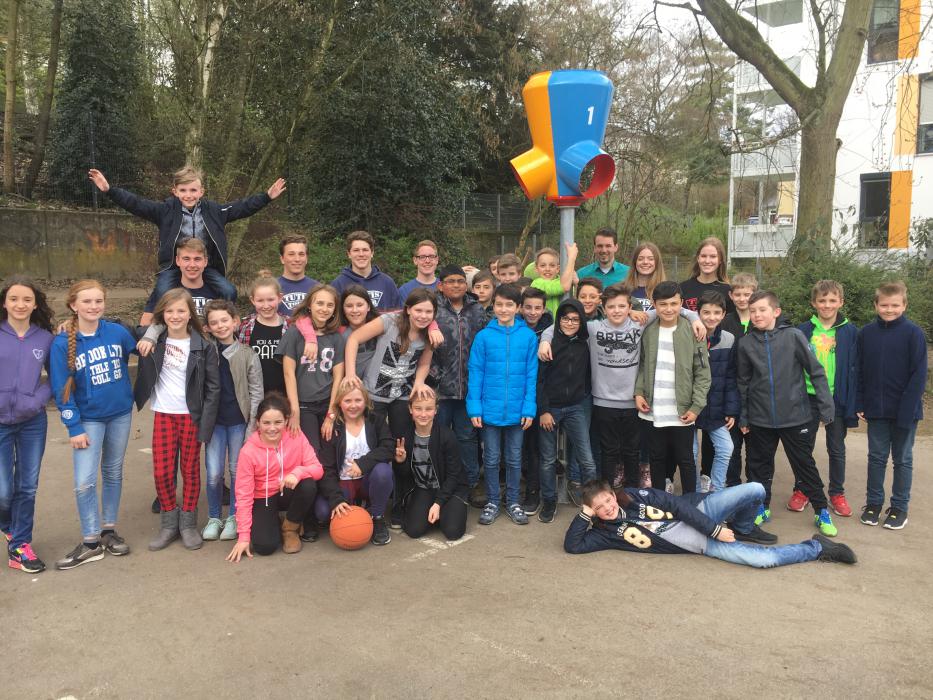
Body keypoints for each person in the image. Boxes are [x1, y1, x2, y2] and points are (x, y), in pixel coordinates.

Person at [89, 165, 285, 309]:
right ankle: (161, 328)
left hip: (205, 265)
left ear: (201, 191)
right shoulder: (165, 210)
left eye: (193, 190)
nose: (188, 195)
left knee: (229, 291)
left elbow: (243, 207)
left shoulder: (214, 211)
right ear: (175, 191)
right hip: (174, 266)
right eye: (183, 190)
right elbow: (136, 203)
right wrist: (109, 190)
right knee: (161, 292)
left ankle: (219, 322)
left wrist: (266, 197)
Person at [564, 480, 857, 568]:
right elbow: (573, 545)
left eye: (607, 500)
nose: (607, 507)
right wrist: (584, 514)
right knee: (764, 560)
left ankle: (742, 527)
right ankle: (817, 548)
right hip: (703, 542)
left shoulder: (633, 496)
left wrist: (715, 527)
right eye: (599, 507)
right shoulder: (606, 533)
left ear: (612, 494)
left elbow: (677, 505)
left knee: (755, 489)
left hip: (701, 511)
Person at [50, 280, 137, 570]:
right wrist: (74, 427)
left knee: (113, 472)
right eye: (86, 301)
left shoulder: (116, 332)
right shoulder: (62, 343)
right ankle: (90, 541)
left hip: (120, 414)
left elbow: (141, 348)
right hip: (88, 420)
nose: (93, 306)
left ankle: (108, 530)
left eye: (98, 301)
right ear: (73, 305)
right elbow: (61, 389)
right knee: (84, 481)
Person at [736, 290, 837, 536]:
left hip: (795, 417)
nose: (757, 315)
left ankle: (821, 510)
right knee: (758, 467)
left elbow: (816, 371)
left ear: (776, 312)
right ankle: (761, 507)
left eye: (762, 310)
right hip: (760, 419)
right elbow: (743, 382)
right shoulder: (745, 343)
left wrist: (826, 406)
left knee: (804, 465)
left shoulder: (793, 336)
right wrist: (745, 416)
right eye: (753, 311)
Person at [133, 288, 220, 551]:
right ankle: (169, 522)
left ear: (190, 313)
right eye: (169, 311)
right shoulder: (154, 341)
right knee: (162, 471)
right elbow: (118, 326)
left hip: (191, 415)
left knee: (190, 471)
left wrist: (206, 424)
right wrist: (150, 333)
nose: (175, 316)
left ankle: (188, 523)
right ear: (162, 314)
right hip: (164, 413)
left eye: (181, 310)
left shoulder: (204, 346)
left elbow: (213, 388)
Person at [856, 281, 927, 530]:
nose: (889, 310)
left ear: (904, 305)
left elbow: (919, 375)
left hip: (905, 411)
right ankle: (873, 504)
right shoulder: (866, 333)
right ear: (876, 305)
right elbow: (859, 371)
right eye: (884, 305)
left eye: (895, 305)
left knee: (902, 460)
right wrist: (861, 401)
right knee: (876, 458)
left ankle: (899, 507)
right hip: (876, 410)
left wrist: (907, 411)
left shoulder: (913, 333)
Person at [467, 284, 538, 526]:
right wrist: (474, 407)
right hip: (489, 410)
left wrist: (529, 408)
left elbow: (531, 374)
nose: (504, 309)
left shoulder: (528, 337)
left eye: (509, 305)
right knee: (491, 459)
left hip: (518, 412)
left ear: (518, 308)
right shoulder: (483, 337)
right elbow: (475, 372)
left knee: (515, 458)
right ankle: (493, 501)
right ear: (493, 306)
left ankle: (514, 501)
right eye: (499, 304)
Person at [226, 393, 325, 560]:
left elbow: (317, 469)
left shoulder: (296, 436)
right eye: (266, 423)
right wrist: (243, 536)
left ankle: (290, 528)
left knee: (308, 484)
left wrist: (297, 473)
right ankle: (274, 520)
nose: (272, 428)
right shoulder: (248, 451)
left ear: (286, 421)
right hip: (263, 497)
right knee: (264, 547)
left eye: (278, 422)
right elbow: (243, 495)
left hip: (288, 490)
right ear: (258, 423)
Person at [789, 280, 858, 517]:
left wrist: (855, 401)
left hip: (836, 398)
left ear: (841, 302)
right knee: (803, 448)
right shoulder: (802, 331)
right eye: (822, 301)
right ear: (814, 303)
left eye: (832, 300)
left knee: (836, 448)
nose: (827, 305)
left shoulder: (851, 332)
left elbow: (856, 368)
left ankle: (837, 493)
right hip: (807, 397)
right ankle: (803, 489)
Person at [634, 281, 711, 495]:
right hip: (653, 408)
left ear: (681, 303)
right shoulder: (648, 330)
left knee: (686, 459)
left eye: (673, 304)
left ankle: (690, 502)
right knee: (656, 458)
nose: (669, 309)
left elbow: (703, 373)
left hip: (682, 409)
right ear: (654, 305)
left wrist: (696, 406)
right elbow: (642, 364)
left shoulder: (694, 331)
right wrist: (639, 392)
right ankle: (660, 503)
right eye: (663, 304)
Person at [0, 277, 54, 573]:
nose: (20, 304)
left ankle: (20, 546)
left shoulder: (44, 338)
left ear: (35, 305)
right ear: (4, 303)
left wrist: (37, 400)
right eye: (13, 299)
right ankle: (9, 526)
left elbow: (58, 378)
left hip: (33, 422)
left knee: (27, 486)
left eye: (26, 299)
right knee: (3, 490)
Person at [201, 300, 263, 542]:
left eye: (224, 320)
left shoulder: (248, 354)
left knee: (238, 471)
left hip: (239, 422)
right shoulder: (206, 352)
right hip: (215, 423)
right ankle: (214, 517)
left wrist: (253, 424)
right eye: (214, 322)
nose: (220, 326)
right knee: (214, 473)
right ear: (207, 327)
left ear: (235, 322)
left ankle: (235, 516)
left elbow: (256, 391)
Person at [342, 288, 435, 440]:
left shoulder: (429, 334)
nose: (423, 316)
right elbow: (354, 338)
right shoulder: (390, 321)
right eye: (418, 310)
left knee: (401, 440)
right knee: (372, 438)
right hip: (374, 393)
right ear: (408, 309)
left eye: (428, 312)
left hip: (402, 394)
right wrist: (350, 374)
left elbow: (424, 363)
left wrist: (419, 382)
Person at [536, 299, 597, 523]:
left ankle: (593, 502)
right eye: (565, 318)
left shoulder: (584, 343)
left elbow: (588, 373)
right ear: (558, 320)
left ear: (581, 322)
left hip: (575, 407)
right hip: (550, 409)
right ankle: (549, 501)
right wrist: (544, 410)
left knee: (587, 459)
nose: (570, 323)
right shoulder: (549, 344)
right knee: (548, 459)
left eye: (575, 319)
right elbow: (540, 380)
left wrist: (583, 394)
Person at [315, 385, 395, 546]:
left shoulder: (375, 420)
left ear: (366, 401)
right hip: (343, 483)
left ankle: (377, 517)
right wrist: (336, 499)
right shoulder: (331, 427)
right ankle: (354, 506)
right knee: (322, 512)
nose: (353, 405)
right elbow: (327, 468)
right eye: (347, 401)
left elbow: (388, 447)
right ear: (339, 403)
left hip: (368, 481)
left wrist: (362, 463)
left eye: (358, 400)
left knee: (383, 471)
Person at [432, 265, 486, 501]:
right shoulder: (432, 308)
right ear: (440, 285)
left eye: (460, 281)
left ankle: (470, 483)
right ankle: (437, 483)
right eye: (450, 281)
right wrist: (434, 376)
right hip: (439, 389)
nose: (456, 285)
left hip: (469, 388)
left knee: (467, 438)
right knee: (438, 436)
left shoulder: (477, 309)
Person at [279, 285, 345, 456]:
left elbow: (338, 377)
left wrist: (331, 414)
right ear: (310, 305)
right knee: (310, 452)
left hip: (327, 403)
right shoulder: (294, 334)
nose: (324, 309)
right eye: (319, 303)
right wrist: (294, 411)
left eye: (330, 305)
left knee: (330, 452)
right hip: (303, 404)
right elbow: (288, 374)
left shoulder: (336, 337)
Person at [395, 391, 469, 541]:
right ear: (410, 409)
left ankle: (449, 510)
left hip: (449, 488)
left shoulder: (447, 436)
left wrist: (438, 503)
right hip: (424, 488)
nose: (423, 414)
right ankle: (434, 513)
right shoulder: (406, 436)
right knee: (413, 530)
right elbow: (405, 475)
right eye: (418, 408)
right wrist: (401, 462)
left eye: (428, 409)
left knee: (453, 531)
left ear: (436, 410)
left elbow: (454, 475)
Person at [695, 291, 739, 493]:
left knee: (726, 448)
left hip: (717, 406)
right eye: (706, 312)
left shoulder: (729, 339)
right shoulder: (688, 335)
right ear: (698, 313)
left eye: (716, 313)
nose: (711, 317)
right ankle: (695, 491)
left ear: (723, 314)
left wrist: (731, 410)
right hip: (691, 407)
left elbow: (731, 376)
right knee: (690, 453)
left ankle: (717, 488)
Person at [719, 271, 758, 488]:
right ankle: (733, 486)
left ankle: (753, 488)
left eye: (747, 294)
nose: (742, 299)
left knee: (755, 450)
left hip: (756, 395)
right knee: (732, 448)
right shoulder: (724, 322)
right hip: (731, 394)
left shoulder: (760, 321)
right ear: (731, 296)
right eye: (738, 294)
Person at [239, 272, 292, 395]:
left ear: (280, 298)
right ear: (252, 300)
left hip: (284, 394)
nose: (266, 305)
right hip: (254, 396)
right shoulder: (245, 327)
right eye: (260, 300)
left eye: (270, 300)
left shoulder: (290, 326)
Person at [330, 230, 401, 312]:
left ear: (372, 253)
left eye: (365, 250)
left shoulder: (387, 283)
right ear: (349, 254)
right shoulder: (338, 284)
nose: (361, 254)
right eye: (356, 250)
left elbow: (397, 315)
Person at [679, 237, 734, 314]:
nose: (707, 261)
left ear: (720, 260)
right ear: (698, 258)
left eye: (713, 256)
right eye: (703, 256)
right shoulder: (682, 288)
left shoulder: (728, 291)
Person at [277, 234, 319, 317]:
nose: (297, 259)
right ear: (282, 259)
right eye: (291, 254)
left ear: (306, 258)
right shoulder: (271, 288)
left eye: (301, 254)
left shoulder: (317, 288)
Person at [530, 244, 577, 317]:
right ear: (536, 269)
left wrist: (576, 284)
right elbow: (564, 287)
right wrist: (571, 258)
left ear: (557, 269)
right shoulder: (537, 284)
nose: (547, 269)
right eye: (543, 265)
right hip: (546, 324)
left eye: (552, 265)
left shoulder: (562, 280)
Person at [622, 242, 665, 312]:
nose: (645, 262)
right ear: (635, 262)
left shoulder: (665, 290)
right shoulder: (622, 289)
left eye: (650, 259)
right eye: (640, 259)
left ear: (657, 263)